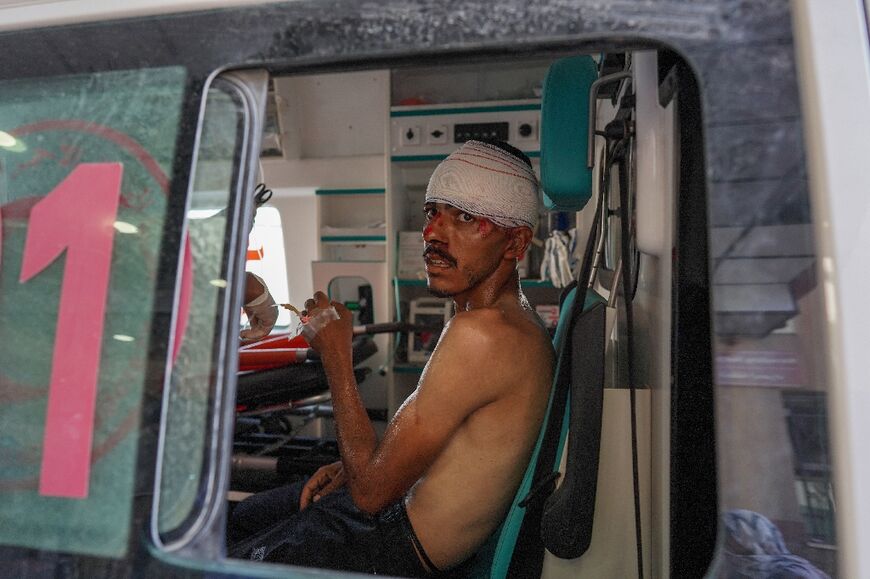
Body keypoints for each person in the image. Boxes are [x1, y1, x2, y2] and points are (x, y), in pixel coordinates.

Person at [229, 140, 555, 577]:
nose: (432, 233)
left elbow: (370, 494)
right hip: (388, 513)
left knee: (210, 561)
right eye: (432, 212)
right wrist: (351, 466)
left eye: (464, 217)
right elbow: (437, 454)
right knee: (244, 517)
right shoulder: (502, 318)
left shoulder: (484, 335)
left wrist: (337, 357)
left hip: (391, 545)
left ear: (516, 241)